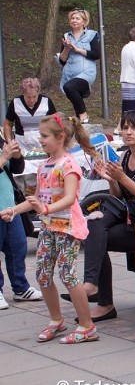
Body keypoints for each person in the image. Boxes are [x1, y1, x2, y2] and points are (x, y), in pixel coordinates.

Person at [1, 114, 97, 342]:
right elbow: (35, 198)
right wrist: (14, 210)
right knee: (43, 274)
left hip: (68, 228)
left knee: (68, 275)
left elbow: (70, 198)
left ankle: (87, 326)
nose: (40, 140)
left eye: (44, 136)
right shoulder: (44, 165)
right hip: (48, 228)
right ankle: (56, 320)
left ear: (60, 137)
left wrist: (45, 209)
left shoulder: (69, 165)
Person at [75, 111, 135, 321]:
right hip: (131, 220)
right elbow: (119, 195)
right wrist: (111, 179)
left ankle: (99, 296)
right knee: (95, 230)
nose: (128, 132)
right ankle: (97, 294)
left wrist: (122, 178)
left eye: (134, 128)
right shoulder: (125, 155)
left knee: (96, 237)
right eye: (125, 127)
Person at [0, 133, 42, 309]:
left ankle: (20, 287)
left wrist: (16, 155)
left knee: (18, 247)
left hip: (10, 205)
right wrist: (3, 157)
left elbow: (16, 168)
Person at [59, 9, 100, 123]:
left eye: (77, 18)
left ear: (84, 21)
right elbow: (62, 60)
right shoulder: (66, 36)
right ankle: (80, 122)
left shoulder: (92, 35)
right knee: (73, 92)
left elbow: (96, 54)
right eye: (72, 18)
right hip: (70, 73)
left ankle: (83, 115)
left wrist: (78, 50)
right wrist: (66, 48)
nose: (74, 21)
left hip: (86, 72)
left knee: (69, 87)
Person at [4, 77, 56, 152]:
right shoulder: (15, 102)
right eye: (28, 97)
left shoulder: (46, 101)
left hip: (43, 142)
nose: (32, 100)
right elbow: (8, 124)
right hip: (21, 144)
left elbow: (55, 121)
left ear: (38, 93)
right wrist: (10, 142)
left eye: (34, 97)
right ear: (23, 94)